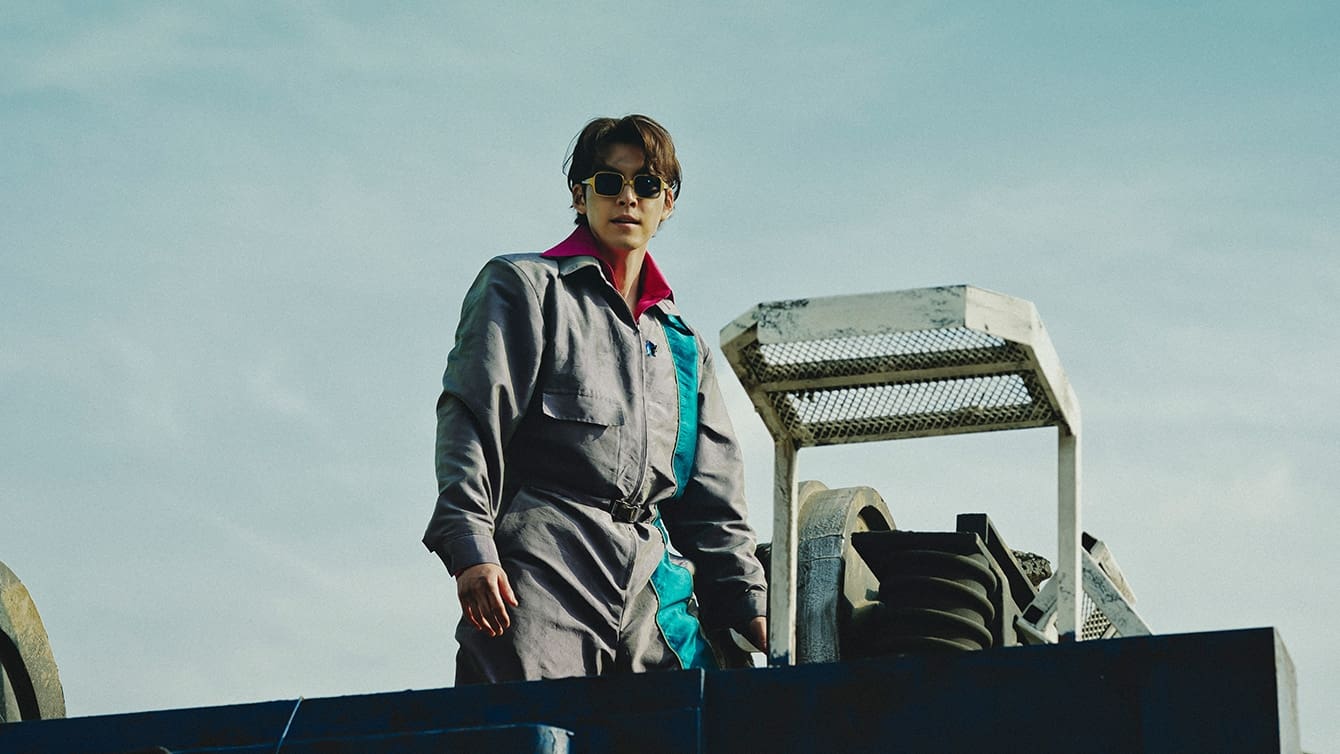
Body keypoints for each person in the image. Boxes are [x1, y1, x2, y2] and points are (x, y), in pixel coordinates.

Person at [423, 115, 768, 684]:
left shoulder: (684, 349)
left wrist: (753, 609)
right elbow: (471, 422)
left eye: (647, 184)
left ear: (668, 203)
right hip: (544, 565)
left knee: (698, 714)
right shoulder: (526, 289)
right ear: (579, 196)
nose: (628, 198)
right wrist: (471, 547)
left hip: (651, 583)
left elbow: (714, 505)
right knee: (532, 724)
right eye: (609, 182)